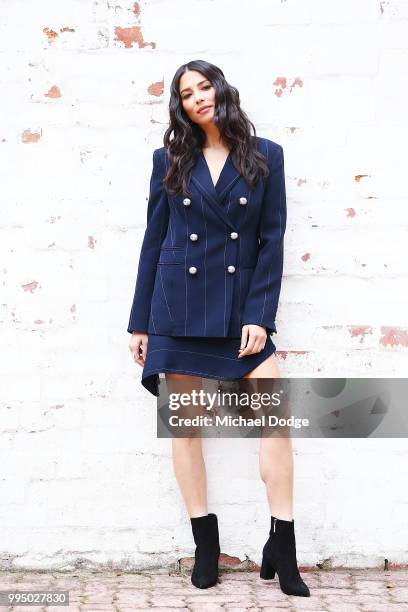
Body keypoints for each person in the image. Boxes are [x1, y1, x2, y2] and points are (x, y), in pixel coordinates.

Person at [127, 59, 310, 597]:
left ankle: (283, 540)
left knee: (275, 416)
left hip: (238, 310)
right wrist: (140, 322)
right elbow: (152, 242)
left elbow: (269, 242)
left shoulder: (265, 155)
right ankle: (206, 543)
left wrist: (260, 315)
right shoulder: (169, 160)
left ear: (221, 89)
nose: (198, 97)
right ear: (180, 107)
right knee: (186, 427)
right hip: (176, 307)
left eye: (204, 86)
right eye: (187, 93)